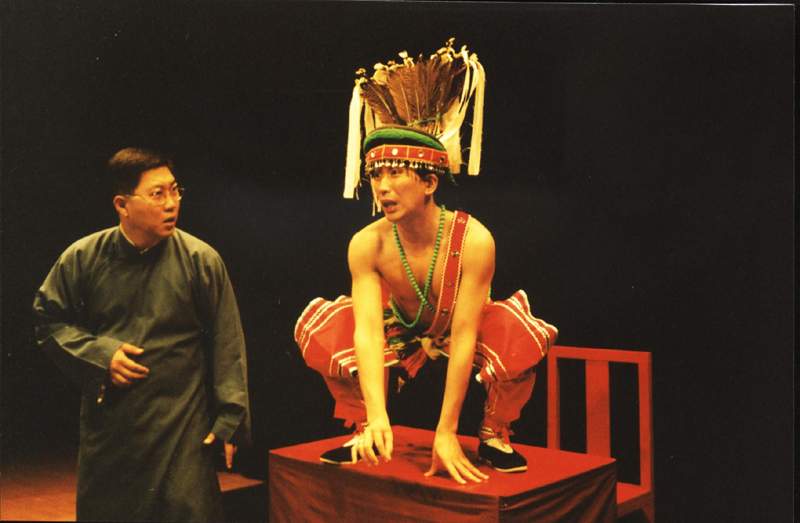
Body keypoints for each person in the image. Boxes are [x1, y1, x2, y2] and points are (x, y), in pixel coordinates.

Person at [294, 39, 557, 485]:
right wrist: (379, 415)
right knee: (330, 327)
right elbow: (367, 330)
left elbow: (466, 333)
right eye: (376, 174)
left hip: (460, 331)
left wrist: (446, 432)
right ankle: (365, 429)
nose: (383, 187)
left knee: (515, 332)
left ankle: (494, 432)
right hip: (401, 329)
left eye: (396, 173)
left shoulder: (474, 240)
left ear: (430, 182)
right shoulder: (367, 243)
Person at [32, 148, 250, 521]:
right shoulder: (84, 257)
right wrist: (102, 356)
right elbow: (49, 320)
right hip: (114, 429)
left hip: (182, 425)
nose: (171, 203)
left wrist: (230, 420)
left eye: (175, 190)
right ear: (122, 205)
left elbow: (227, 342)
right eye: (157, 194)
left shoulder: (200, 260)